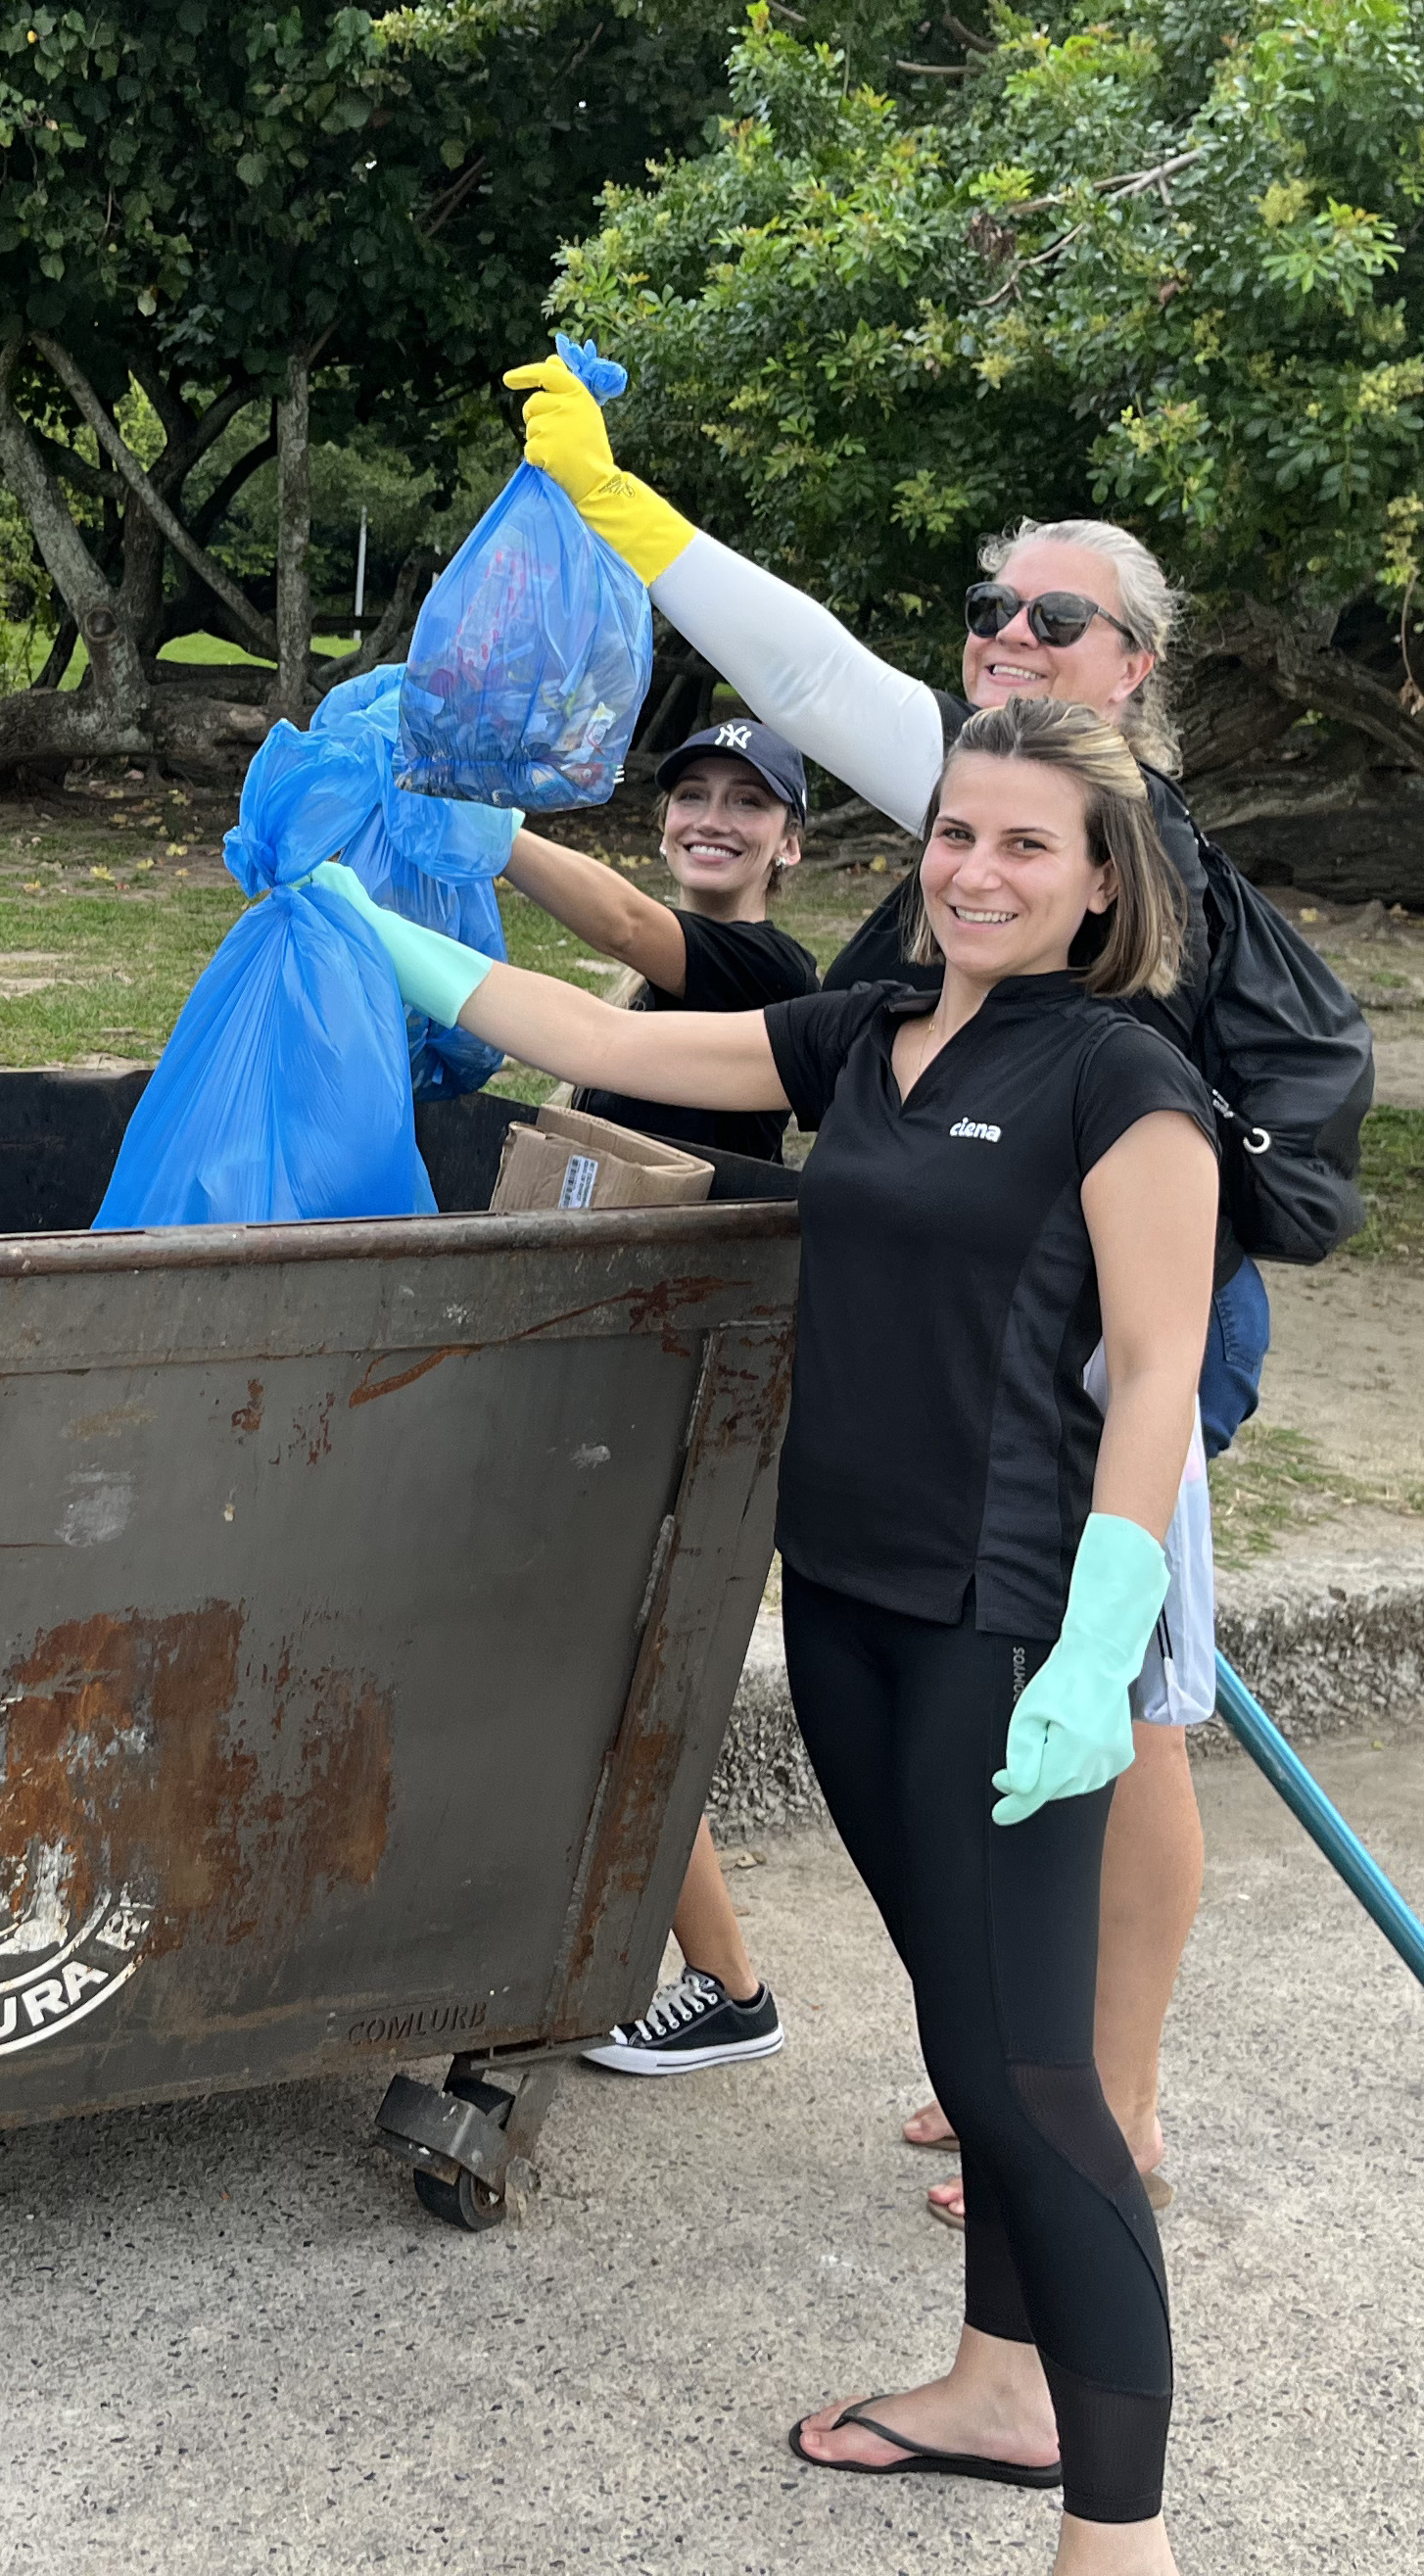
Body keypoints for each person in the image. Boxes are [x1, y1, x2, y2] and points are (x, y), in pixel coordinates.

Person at [323, 693, 1217, 2569]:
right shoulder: (871, 1037)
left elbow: (1154, 1382)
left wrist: (1099, 1635)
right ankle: (1000, 2383)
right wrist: (346, 905)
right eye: (956, 834)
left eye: (1025, 845)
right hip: (854, 1602)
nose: (976, 871)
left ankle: (1120, 2537)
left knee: (1042, 2087)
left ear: (1100, 881)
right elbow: (582, 1029)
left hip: (1007, 1623)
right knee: (976, 2056)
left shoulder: (1124, 1082)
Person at [507, 358, 1324, 2220]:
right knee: (1042, 1700)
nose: (1014, 639)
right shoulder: (987, 783)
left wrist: (627, 513)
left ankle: (1105, 2106)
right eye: (990, 611)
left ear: (1135, 668)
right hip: (1000, 1296)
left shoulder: (1104, 816)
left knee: (1129, 1711)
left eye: (1064, 616)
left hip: (1128, 1325)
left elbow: (801, 677)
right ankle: (1021, 2059)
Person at [498, 717, 818, 2077]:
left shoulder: (765, 971)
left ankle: (731, 1986)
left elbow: (632, 922)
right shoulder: (650, 1002)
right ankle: (611, 1941)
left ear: (791, 846)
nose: (714, 818)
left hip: (693, 1374)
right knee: (596, 1665)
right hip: (635, 1357)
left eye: (750, 805)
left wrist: (468, 828)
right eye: (692, 793)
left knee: (630, 1673)